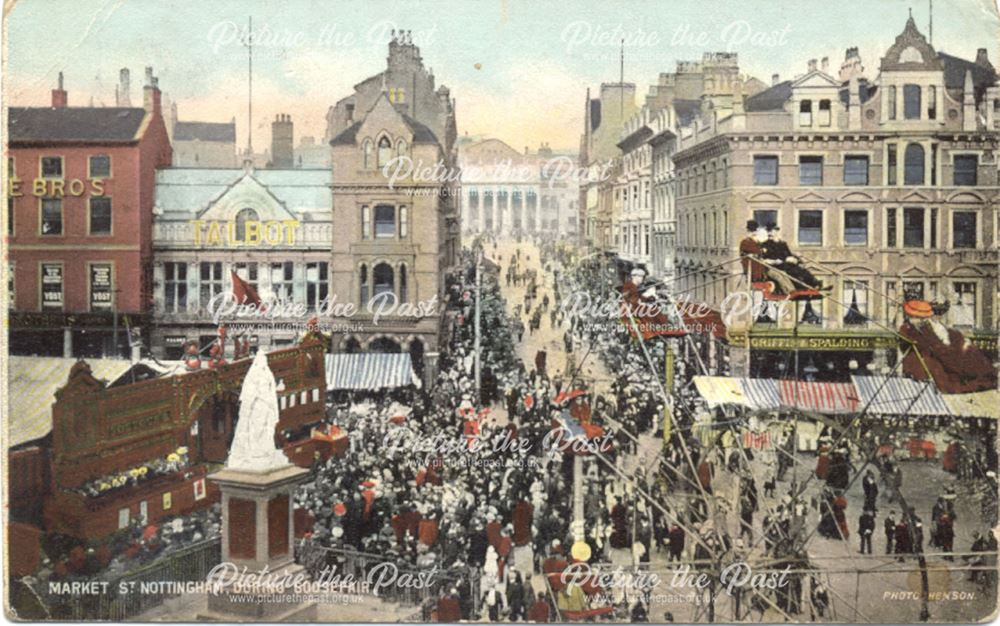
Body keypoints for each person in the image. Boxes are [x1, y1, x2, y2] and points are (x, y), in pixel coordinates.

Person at [761, 224, 826, 291]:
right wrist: (780, 260)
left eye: (771, 231)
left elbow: (788, 254)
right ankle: (806, 287)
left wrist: (795, 259)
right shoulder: (765, 245)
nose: (769, 234)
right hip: (776, 266)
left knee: (802, 270)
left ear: (777, 231)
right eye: (768, 231)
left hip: (786, 264)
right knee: (794, 271)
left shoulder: (782, 244)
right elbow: (765, 258)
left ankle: (816, 285)